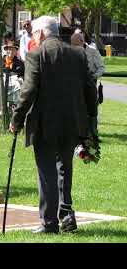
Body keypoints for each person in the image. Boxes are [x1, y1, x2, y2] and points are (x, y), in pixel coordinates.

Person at [10, 16, 97, 234]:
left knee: (47, 172)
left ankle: (49, 223)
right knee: (64, 169)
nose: (33, 38)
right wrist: (90, 120)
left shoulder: (36, 55)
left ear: (40, 33)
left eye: (33, 35)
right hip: (72, 121)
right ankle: (66, 215)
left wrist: (16, 120)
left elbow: (28, 91)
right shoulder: (78, 54)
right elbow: (90, 89)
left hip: (45, 122)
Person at [71, 32, 104, 134]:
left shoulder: (92, 51)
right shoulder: (70, 51)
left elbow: (101, 68)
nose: (74, 46)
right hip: (75, 86)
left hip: (90, 85)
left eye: (76, 43)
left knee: (91, 110)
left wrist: (93, 76)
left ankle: (92, 132)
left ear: (82, 41)